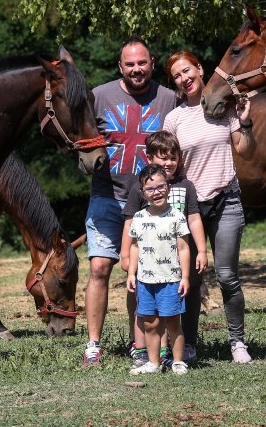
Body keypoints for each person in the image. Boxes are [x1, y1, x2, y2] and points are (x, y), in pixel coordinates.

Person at [81, 37, 177, 368]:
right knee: (99, 266)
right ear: (120, 67)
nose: (137, 69)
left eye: (143, 63)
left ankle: (141, 346)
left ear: (152, 63)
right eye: (130, 64)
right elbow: (80, 135)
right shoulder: (99, 96)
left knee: (145, 272)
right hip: (107, 195)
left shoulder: (169, 99)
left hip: (150, 203)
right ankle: (93, 344)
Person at [163, 50, 256, 363]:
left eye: (187, 71)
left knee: (228, 276)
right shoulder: (174, 119)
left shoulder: (224, 109)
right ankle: (188, 344)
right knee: (191, 279)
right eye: (177, 75)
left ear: (200, 69)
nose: (184, 79)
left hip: (226, 199)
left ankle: (237, 343)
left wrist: (246, 123)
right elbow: (167, 163)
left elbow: (245, 150)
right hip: (190, 208)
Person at [120, 131, 208, 368]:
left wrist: (201, 250)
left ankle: (177, 356)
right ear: (150, 159)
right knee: (148, 316)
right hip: (148, 269)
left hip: (174, 268)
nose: (168, 163)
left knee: (171, 316)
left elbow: (194, 219)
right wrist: (125, 254)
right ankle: (149, 356)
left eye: (173, 158)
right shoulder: (141, 187)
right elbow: (131, 226)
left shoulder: (185, 186)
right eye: (162, 158)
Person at [125, 164, 192, 375]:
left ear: (168, 187)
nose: (157, 192)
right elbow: (134, 246)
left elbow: (183, 248)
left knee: (173, 323)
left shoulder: (177, 217)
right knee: (150, 323)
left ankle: (178, 361)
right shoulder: (139, 218)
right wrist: (131, 273)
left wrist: (186, 277)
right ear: (142, 193)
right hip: (145, 282)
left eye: (161, 186)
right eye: (150, 189)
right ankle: (153, 363)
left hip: (171, 279)